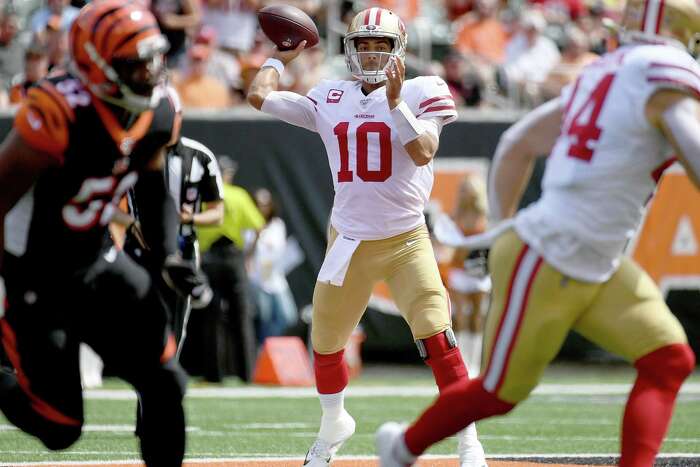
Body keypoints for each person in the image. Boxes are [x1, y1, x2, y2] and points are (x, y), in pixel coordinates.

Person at [376, 0, 699, 465]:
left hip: (595, 259)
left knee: (669, 359)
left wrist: (503, 226)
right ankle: (402, 448)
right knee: (500, 393)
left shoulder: (603, 72)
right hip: (551, 253)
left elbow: (516, 144)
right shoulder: (663, 76)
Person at [247, 7, 487, 467]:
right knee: (326, 341)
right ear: (349, 49)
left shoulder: (422, 89)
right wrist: (281, 57)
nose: (372, 53)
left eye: (381, 45)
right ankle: (333, 423)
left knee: (438, 335)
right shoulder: (329, 95)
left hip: (405, 240)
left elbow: (423, 152)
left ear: (400, 50)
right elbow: (260, 96)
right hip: (350, 240)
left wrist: (396, 105)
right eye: (363, 45)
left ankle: (468, 440)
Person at [0, 1, 206, 464]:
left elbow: (152, 188)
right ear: (98, 67)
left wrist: (169, 254)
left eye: (154, 59)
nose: (151, 74)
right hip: (37, 278)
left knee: (165, 379)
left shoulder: (158, 110)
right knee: (59, 428)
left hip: (95, 259)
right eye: (136, 64)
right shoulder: (57, 112)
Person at [196, 156, 265, 383]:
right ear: (230, 174)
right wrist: (248, 254)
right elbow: (258, 227)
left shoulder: (205, 194)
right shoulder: (239, 195)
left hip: (209, 258)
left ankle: (213, 374)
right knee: (241, 316)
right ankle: (247, 373)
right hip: (233, 257)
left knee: (211, 316)